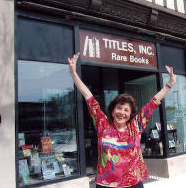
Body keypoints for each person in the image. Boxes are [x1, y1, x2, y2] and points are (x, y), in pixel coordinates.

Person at [68, 53, 176, 188]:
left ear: (130, 115)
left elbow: (153, 102)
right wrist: (73, 73)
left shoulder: (135, 126)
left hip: (133, 183)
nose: (122, 113)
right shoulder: (103, 125)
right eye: (119, 108)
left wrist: (169, 84)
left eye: (126, 110)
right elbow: (88, 97)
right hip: (106, 184)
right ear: (113, 111)